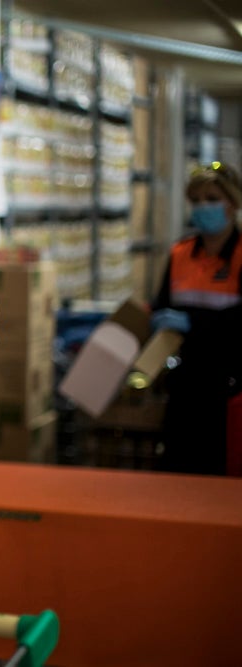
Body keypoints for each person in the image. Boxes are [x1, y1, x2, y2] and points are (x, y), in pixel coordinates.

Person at [151, 161, 242, 476]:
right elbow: (161, 304)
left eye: (212, 198)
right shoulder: (180, 254)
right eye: (197, 199)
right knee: (179, 470)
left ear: (232, 204)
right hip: (186, 381)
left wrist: (195, 323)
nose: (204, 206)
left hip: (229, 384)